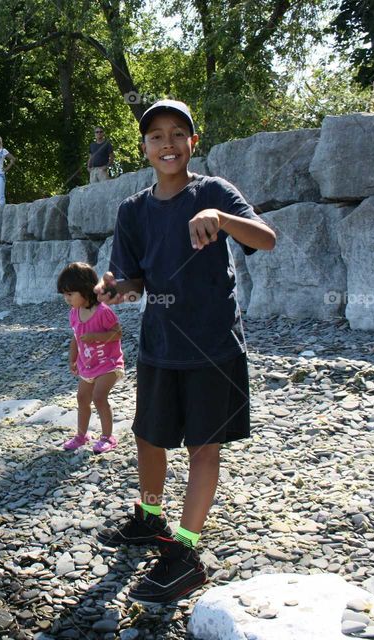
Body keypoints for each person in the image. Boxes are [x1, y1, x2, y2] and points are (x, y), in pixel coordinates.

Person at [94, 100, 276, 605]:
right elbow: (133, 282)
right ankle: (149, 518)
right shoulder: (132, 210)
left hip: (213, 345)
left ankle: (186, 553)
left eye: (178, 134)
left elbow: (266, 238)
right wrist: (116, 290)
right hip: (160, 344)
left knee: (202, 447)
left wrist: (221, 218)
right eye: (156, 136)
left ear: (193, 142)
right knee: (148, 438)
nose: (167, 143)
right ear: (144, 146)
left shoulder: (213, 191)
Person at [57, 262, 124, 453]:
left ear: (86, 290)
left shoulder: (103, 312)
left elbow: (117, 333)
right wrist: (72, 359)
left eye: (70, 294)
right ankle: (81, 435)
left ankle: (107, 437)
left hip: (109, 363)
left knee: (99, 396)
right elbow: (75, 338)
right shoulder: (74, 313)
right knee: (82, 398)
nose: (66, 299)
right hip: (88, 364)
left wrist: (96, 337)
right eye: (64, 294)